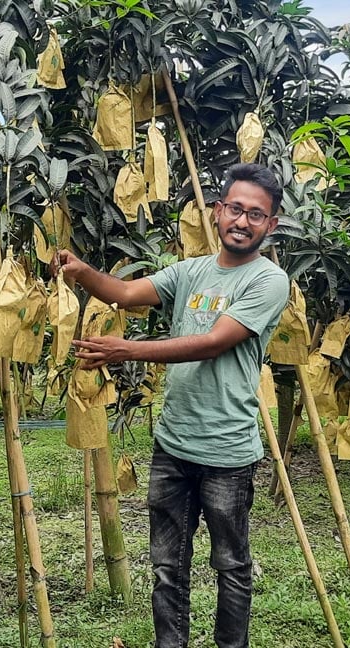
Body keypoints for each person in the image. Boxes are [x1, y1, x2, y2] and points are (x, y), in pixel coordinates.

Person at [56, 163, 289, 648]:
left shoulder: (269, 281)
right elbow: (124, 293)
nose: (242, 222)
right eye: (236, 210)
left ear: (272, 223)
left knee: (231, 567)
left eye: (256, 215)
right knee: (167, 568)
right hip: (173, 448)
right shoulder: (192, 271)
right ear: (219, 211)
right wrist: (81, 272)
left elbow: (212, 342)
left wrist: (127, 350)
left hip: (227, 452)